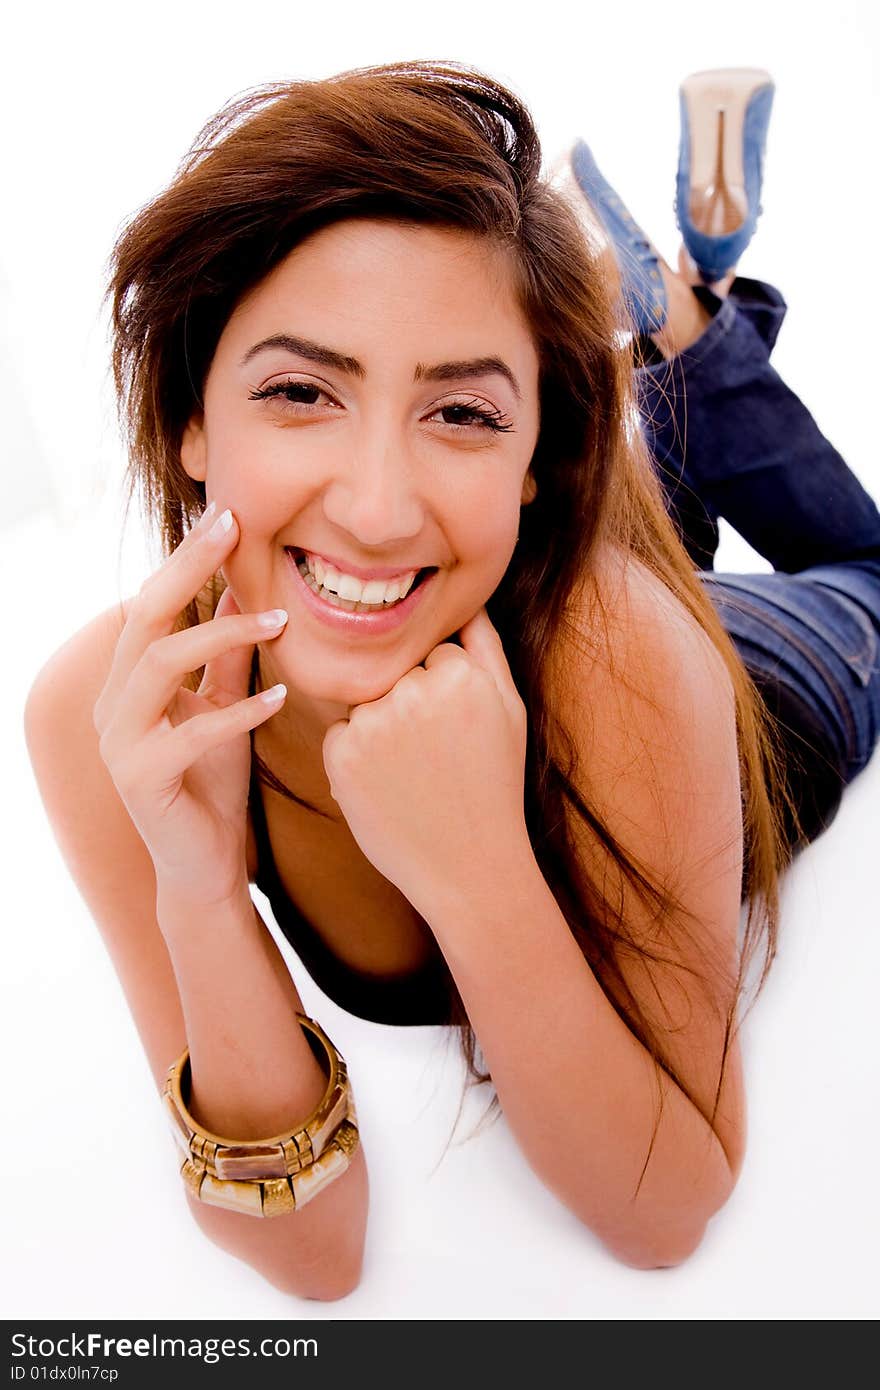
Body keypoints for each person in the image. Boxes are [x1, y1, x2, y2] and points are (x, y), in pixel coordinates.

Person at [23, 60, 880, 1301]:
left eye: (463, 415)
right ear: (190, 418)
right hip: (494, 578)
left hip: (762, 670)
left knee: (857, 559)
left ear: (538, 456)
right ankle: (682, 328)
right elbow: (312, 1260)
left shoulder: (625, 660)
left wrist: (477, 867)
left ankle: (687, 333)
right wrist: (198, 892)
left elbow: (664, 1213)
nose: (373, 507)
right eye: (299, 392)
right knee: (631, 540)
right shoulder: (109, 716)